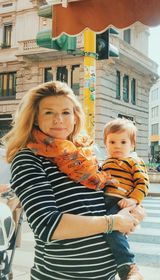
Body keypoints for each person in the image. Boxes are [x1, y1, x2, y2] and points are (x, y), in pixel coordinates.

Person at [1, 81, 145, 280]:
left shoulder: (84, 156)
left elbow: (102, 207)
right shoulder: (28, 158)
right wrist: (113, 222)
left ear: (76, 117)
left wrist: (131, 213)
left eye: (66, 112)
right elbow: (47, 225)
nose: (59, 119)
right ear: (35, 118)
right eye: (49, 112)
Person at [100, 118, 149, 279]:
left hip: (120, 203)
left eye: (123, 142)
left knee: (112, 231)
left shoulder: (133, 161)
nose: (117, 146)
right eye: (112, 142)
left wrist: (134, 200)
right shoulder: (106, 163)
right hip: (104, 201)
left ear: (132, 145)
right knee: (103, 229)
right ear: (105, 144)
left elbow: (143, 183)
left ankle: (127, 265)